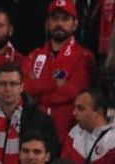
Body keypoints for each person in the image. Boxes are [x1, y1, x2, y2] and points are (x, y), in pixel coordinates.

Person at [23, 0, 95, 138]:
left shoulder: (84, 57)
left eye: (65, 19)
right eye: (55, 18)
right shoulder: (34, 55)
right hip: (35, 132)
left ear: (75, 24)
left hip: (69, 133)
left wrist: (39, 88)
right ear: (47, 24)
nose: (59, 24)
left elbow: (75, 93)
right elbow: (25, 88)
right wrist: (54, 84)